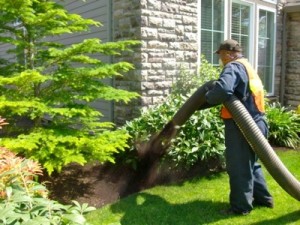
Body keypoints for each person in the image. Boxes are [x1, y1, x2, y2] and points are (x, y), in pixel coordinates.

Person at [205, 39, 273, 215]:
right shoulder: (246, 66)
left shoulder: (232, 67)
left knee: (239, 166)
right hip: (258, 122)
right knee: (252, 164)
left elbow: (222, 90)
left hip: (243, 126)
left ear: (228, 54)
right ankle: (264, 199)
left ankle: (240, 207)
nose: (220, 59)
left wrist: (208, 98)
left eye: (220, 55)